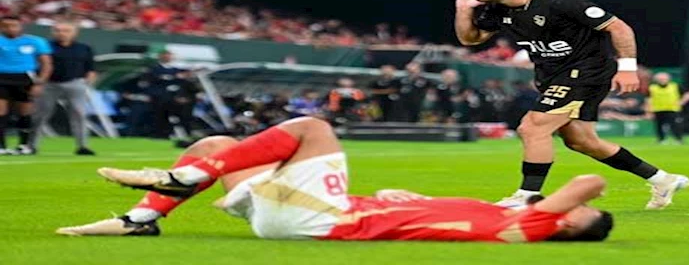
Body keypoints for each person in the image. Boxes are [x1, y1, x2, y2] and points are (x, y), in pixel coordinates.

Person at [56, 116, 613, 243]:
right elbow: (424, 216)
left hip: (319, 217)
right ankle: (142, 219)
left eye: (575, 214)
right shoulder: (506, 219)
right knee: (217, 148)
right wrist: (401, 198)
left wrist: (574, 206)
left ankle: (180, 178)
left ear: (568, 225)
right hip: (302, 214)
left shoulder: (534, 228)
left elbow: (589, 181)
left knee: (313, 128)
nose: (568, 207)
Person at [454, 0, 689, 210]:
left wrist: (628, 69)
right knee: (581, 141)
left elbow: (619, 28)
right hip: (552, 76)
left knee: (532, 127)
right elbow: (470, 39)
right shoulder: (498, 10)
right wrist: (463, 9)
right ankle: (662, 179)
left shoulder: (559, 3)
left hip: (587, 71)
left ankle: (527, 197)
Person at [31, 21, 97, 155]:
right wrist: (38, 83)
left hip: (75, 83)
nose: (61, 33)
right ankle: (31, 145)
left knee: (79, 114)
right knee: (39, 115)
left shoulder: (84, 48)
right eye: (58, 30)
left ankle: (83, 146)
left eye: (66, 30)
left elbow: (91, 68)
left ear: (75, 33)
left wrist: (87, 84)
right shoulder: (45, 47)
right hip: (49, 84)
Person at [0, 16, 52, 155]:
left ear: (21, 26)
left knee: (25, 113)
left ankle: (23, 145)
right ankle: (1, 146)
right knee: (1, 112)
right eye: (6, 25)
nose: (10, 28)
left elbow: (46, 64)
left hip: (25, 79)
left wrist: (40, 83)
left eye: (14, 25)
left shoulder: (35, 41)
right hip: (2, 78)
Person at [646, 72, 685, 145]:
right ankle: (661, 140)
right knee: (659, 126)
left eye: (664, 79)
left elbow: (686, 94)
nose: (662, 80)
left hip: (672, 109)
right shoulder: (652, 88)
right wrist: (648, 110)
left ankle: (679, 139)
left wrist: (681, 102)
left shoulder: (675, 86)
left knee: (675, 125)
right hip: (658, 109)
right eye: (660, 79)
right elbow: (648, 99)